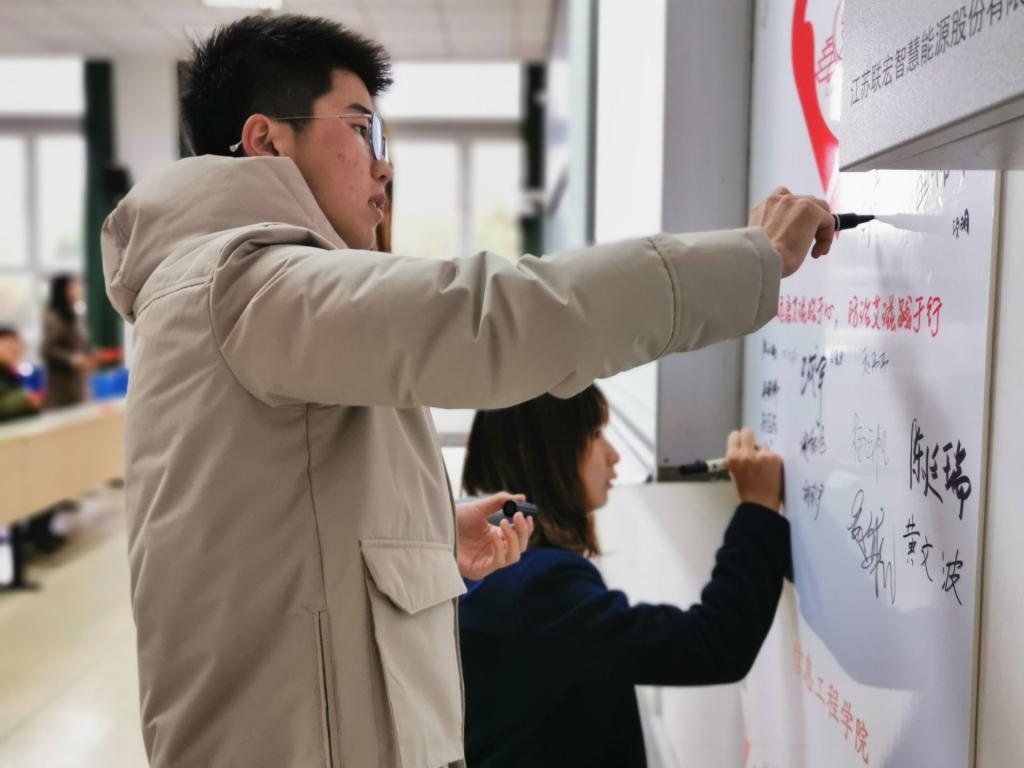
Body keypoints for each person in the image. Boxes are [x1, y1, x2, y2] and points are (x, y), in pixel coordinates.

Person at [100, 13, 833, 768]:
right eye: (362, 130)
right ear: (266, 140)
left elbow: (267, 528)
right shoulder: (247, 283)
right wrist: (752, 261)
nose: (384, 168)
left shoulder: (216, 287)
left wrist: (423, 538)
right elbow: (495, 317)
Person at [458, 387, 791, 767]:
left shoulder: (485, 571)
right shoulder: (538, 587)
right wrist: (758, 509)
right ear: (548, 453)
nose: (613, 454)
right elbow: (713, 644)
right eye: (596, 434)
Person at [41, 273, 95, 408]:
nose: (79, 290)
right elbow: (47, 351)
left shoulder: (75, 316)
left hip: (79, 384)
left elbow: (81, 345)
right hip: (62, 389)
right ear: (62, 290)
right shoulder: (54, 318)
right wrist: (72, 359)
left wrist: (90, 355)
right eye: (73, 286)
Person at [0, 326, 42, 422]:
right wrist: (26, 401)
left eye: (16, 342)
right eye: (7, 344)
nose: (14, 348)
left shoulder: (12, 373)